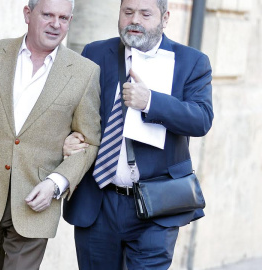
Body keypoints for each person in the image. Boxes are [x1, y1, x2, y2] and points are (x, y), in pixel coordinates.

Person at [0, 0, 102, 269]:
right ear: (28, 14)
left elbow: (90, 141)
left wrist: (56, 183)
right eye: (47, 15)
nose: (56, 24)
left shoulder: (84, 72)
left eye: (64, 18)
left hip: (36, 203)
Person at [63, 0, 214, 269]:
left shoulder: (191, 62)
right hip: (98, 202)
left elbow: (201, 120)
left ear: (165, 18)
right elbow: (72, 109)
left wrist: (150, 102)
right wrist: (68, 138)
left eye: (145, 14)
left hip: (156, 206)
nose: (135, 20)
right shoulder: (95, 53)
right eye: (128, 12)